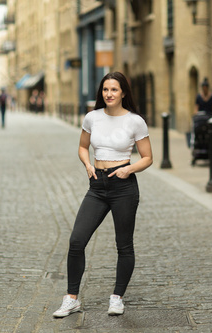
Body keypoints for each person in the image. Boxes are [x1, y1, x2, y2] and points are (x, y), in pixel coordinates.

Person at [53, 72, 153, 318]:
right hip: (97, 185)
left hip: (123, 186)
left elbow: (148, 157)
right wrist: (87, 164)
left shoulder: (135, 121)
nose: (109, 94)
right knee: (77, 240)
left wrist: (128, 169)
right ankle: (71, 298)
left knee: (124, 245)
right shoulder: (92, 117)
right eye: (106, 90)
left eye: (114, 90)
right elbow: (82, 146)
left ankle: (117, 298)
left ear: (123, 93)